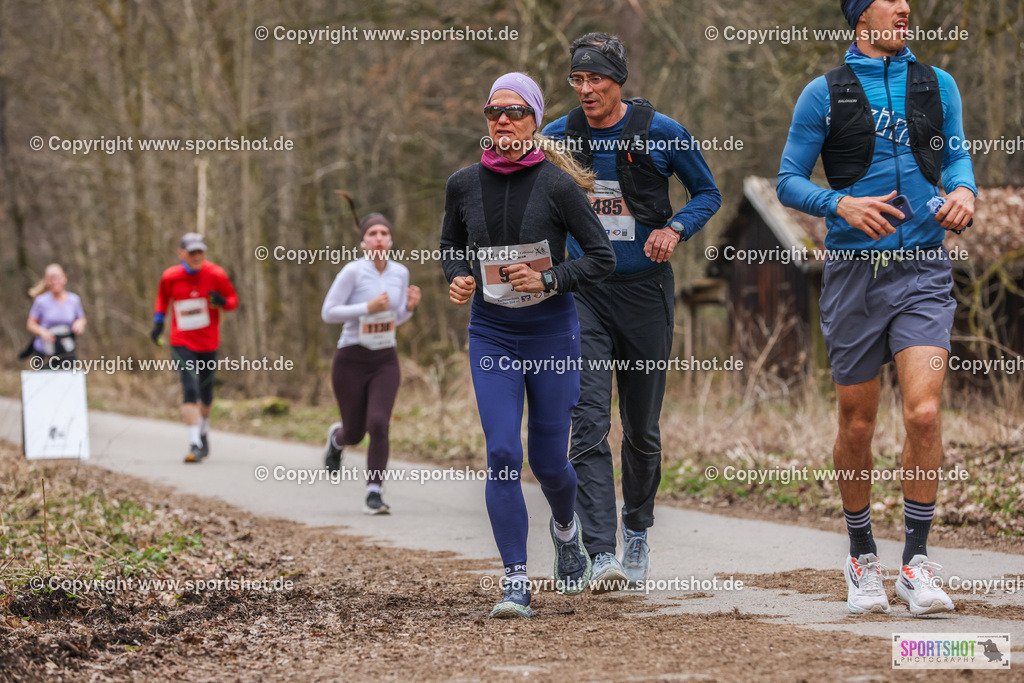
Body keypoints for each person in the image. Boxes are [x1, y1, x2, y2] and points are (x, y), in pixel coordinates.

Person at [777, 0, 975, 615]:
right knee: (858, 424)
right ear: (862, 18)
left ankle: (915, 563)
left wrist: (964, 189)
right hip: (853, 276)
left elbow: (957, 155)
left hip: (922, 269)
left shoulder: (937, 85)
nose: (907, 8)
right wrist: (840, 205)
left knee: (922, 414)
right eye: (892, 1)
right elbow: (788, 180)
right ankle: (862, 553)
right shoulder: (824, 92)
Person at [542, 33, 721, 590]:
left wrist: (675, 228)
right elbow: (513, 182)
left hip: (646, 293)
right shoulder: (556, 139)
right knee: (589, 421)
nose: (587, 89)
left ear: (619, 81)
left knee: (641, 430)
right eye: (578, 79)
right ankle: (600, 552)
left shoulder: (661, 133)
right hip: (583, 293)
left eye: (597, 78)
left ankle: (637, 527)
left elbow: (707, 193)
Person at [442, 72, 615, 618]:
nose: (503, 120)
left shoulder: (559, 185)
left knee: (548, 460)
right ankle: (515, 579)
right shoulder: (463, 183)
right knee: (501, 453)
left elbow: (601, 258)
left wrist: (548, 279)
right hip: (492, 332)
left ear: (536, 120)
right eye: (494, 111)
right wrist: (459, 274)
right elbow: (451, 242)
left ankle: (566, 530)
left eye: (516, 112)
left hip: (551, 333)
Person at [320, 204, 421, 515]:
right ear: (363, 242)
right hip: (351, 358)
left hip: (384, 360)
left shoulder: (400, 273)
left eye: (384, 233)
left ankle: (374, 492)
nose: (379, 238)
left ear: (390, 240)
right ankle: (337, 442)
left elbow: (395, 319)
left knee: (378, 424)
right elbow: (328, 313)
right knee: (354, 432)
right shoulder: (353, 271)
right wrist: (367, 306)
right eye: (372, 234)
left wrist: (409, 308)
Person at [151, 233, 239, 463]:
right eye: (192, 252)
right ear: (181, 253)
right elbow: (162, 299)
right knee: (190, 388)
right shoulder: (171, 277)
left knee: (206, 393)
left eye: (201, 252)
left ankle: (203, 430)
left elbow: (232, 300)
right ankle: (194, 443)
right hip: (181, 342)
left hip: (209, 342)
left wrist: (223, 302)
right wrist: (158, 323)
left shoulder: (215, 274)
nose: (197, 256)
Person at [24, 264, 87, 367]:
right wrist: (42, 332)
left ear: (64, 279)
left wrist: (80, 323)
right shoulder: (41, 301)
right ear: (47, 281)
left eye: (57, 278)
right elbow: (31, 324)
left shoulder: (74, 300)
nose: (55, 281)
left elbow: (82, 318)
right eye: (51, 279)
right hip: (44, 350)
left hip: (66, 348)